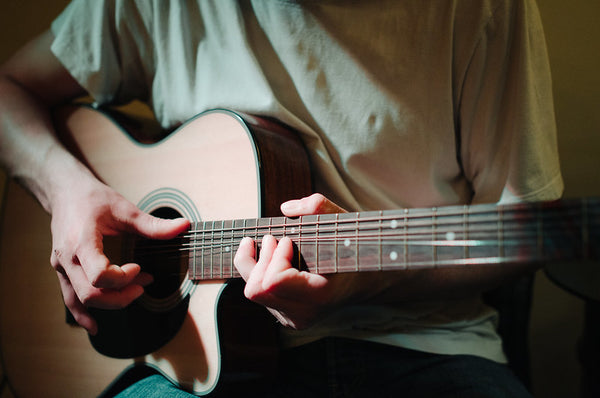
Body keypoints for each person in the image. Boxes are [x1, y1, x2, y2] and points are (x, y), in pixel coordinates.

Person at [0, 0, 563, 397]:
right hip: (183, 364)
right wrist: (66, 191)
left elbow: (523, 230)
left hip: (430, 348)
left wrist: (373, 278)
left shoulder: (484, 6)